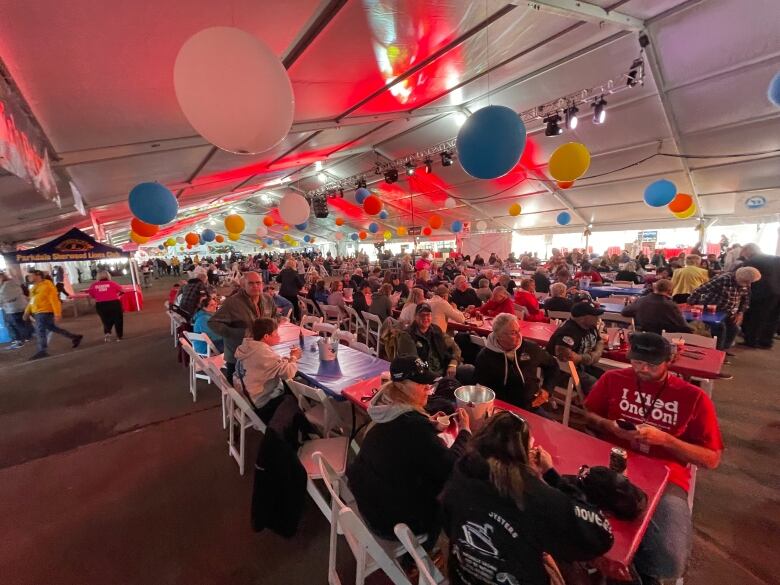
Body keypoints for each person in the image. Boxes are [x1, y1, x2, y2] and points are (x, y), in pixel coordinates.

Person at [584, 333, 723, 584]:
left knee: (668, 561)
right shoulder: (612, 378)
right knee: (577, 523)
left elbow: (711, 459)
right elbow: (590, 415)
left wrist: (667, 440)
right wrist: (611, 427)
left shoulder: (693, 397)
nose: (642, 369)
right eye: (636, 362)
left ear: (669, 361)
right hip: (612, 464)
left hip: (666, 476)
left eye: (651, 364)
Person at [441, 411, 614, 585]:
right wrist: (551, 475)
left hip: (462, 577)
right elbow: (602, 535)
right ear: (523, 453)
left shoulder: (462, 470)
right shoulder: (534, 497)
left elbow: (448, 523)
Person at [346, 355, 471, 543]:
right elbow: (450, 466)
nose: (429, 392)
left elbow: (403, 436)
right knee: (452, 492)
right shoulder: (413, 427)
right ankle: (426, 550)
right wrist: (465, 432)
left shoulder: (387, 408)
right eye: (424, 386)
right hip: (390, 523)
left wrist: (428, 424)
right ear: (402, 385)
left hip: (368, 499)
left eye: (429, 386)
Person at [475, 314, 557, 413]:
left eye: (519, 330)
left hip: (531, 406)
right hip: (498, 409)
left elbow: (553, 366)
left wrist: (547, 389)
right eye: (513, 333)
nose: (519, 335)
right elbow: (480, 388)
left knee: (550, 427)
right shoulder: (485, 356)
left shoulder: (531, 348)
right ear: (498, 336)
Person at [208, 272, 276, 380]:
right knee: (238, 390)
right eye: (251, 283)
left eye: (258, 283)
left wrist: (273, 328)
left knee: (259, 388)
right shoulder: (232, 303)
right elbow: (213, 323)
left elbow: (275, 316)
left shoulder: (268, 299)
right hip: (238, 356)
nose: (255, 286)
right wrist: (238, 333)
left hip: (261, 353)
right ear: (243, 285)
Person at [234, 317, 301, 422]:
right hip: (259, 404)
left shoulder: (247, 347)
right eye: (276, 334)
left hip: (245, 399)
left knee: (290, 387)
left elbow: (266, 365)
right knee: (296, 395)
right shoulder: (262, 352)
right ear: (266, 336)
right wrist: (294, 357)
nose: (279, 336)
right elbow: (288, 373)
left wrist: (281, 361)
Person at [688, 266, 762, 349]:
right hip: (711, 310)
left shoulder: (746, 283)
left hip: (727, 311)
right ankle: (717, 351)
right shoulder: (723, 279)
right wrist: (691, 303)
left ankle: (724, 349)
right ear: (740, 277)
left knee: (734, 329)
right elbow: (699, 290)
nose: (749, 284)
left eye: (750, 282)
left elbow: (746, 299)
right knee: (720, 328)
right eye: (747, 282)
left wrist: (740, 313)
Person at [397, 303, 470, 382]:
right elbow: (415, 363)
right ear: (415, 317)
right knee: (453, 385)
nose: (425, 318)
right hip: (422, 376)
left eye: (428, 315)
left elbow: (455, 348)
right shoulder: (407, 335)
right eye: (422, 315)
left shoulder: (436, 330)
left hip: (444, 369)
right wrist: (438, 379)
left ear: (431, 316)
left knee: (468, 369)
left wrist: (453, 363)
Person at [23, 270, 83, 360]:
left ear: (38, 276)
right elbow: (32, 301)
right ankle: (74, 337)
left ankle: (42, 350)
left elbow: (54, 300)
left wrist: (57, 314)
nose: (29, 277)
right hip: (38, 312)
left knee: (40, 331)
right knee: (52, 328)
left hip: (44, 312)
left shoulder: (48, 286)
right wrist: (27, 312)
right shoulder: (34, 288)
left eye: (31, 275)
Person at [546, 301, 605, 392]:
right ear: (583, 318)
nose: (598, 318)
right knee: (594, 384)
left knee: (607, 377)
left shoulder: (590, 327)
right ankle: (591, 404)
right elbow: (566, 358)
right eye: (594, 315)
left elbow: (600, 341)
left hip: (581, 366)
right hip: (561, 372)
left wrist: (593, 355)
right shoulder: (568, 332)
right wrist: (592, 356)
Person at [739, 243, 780, 349]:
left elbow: (743, 277)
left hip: (761, 293)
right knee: (773, 318)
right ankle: (766, 342)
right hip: (777, 292)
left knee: (755, 317)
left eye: (744, 253)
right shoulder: (776, 259)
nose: (744, 255)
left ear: (748, 250)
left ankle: (752, 340)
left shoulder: (752, 261)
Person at [621, 279, 693, 335]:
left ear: (655, 288)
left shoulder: (641, 300)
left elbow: (624, 312)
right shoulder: (671, 305)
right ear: (670, 291)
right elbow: (684, 327)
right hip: (664, 338)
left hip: (641, 335)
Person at [87, 270, 125, 342]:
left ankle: (107, 333)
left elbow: (91, 295)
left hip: (101, 305)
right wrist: (117, 296)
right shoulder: (112, 283)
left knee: (105, 320)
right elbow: (122, 291)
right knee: (118, 320)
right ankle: (119, 336)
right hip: (114, 303)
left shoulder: (94, 285)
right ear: (108, 275)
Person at [0, 271, 33, 349]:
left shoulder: (8, 285)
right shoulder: (9, 283)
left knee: (17, 324)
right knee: (20, 323)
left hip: (15, 308)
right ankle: (25, 337)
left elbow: (5, 297)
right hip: (14, 308)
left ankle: (21, 340)